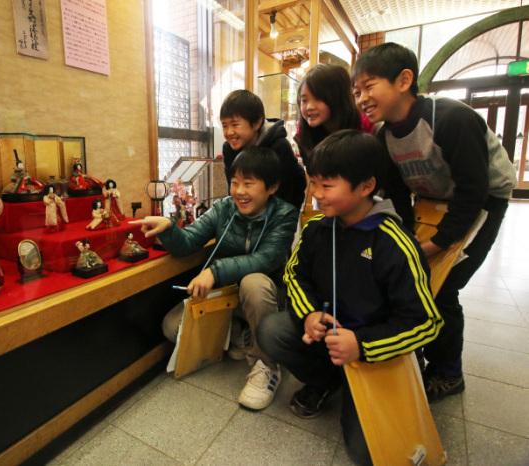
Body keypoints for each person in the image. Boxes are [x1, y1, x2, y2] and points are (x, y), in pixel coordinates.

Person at [256, 130, 443, 464]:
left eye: (327, 186)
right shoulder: (317, 228)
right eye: (314, 183)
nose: (315, 194)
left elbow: (426, 323)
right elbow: (294, 275)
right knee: (272, 330)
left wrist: (363, 345)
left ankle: (354, 382)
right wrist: (310, 315)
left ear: (366, 187)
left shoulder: (395, 243)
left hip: (377, 354)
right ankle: (327, 380)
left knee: (366, 451)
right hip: (331, 339)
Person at [352, 42, 517, 402]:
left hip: (485, 199)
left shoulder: (450, 119)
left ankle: (448, 372)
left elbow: (473, 192)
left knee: (443, 286)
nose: (361, 98)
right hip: (434, 199)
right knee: (412, 274)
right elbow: (397, 193)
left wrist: (437, 244)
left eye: (368, 86)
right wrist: (408, 239)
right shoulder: (384, 136)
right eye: (356, 91)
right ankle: (419, 350)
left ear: (404, 80)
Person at [131, 146, 299, 410]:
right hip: (226, 297)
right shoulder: (223, 209)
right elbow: (190, 241)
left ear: (272, 187)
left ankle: (266, 365)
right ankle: (240, 334)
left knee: (253, 281)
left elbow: (268, 259)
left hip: (264, 298)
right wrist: (169, 229)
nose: (239, 191)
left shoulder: (285, 214)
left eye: (249, 183)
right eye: (234, 183)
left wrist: (214, 271)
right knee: (172, 328)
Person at [220, 89, 307, 211]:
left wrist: (285, 219)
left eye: (235, 125)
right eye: (224, 126)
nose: (229, 132)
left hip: (281, 210)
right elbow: (232, 187)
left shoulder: (279, 146)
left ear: (256, 123)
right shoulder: (229, 149)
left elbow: (287, 189)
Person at [294, 63, 375, 167]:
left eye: (318, 98)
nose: (309, 107)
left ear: (338, 97)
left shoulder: (367, 127)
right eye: (304, 100)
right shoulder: (304, 132)